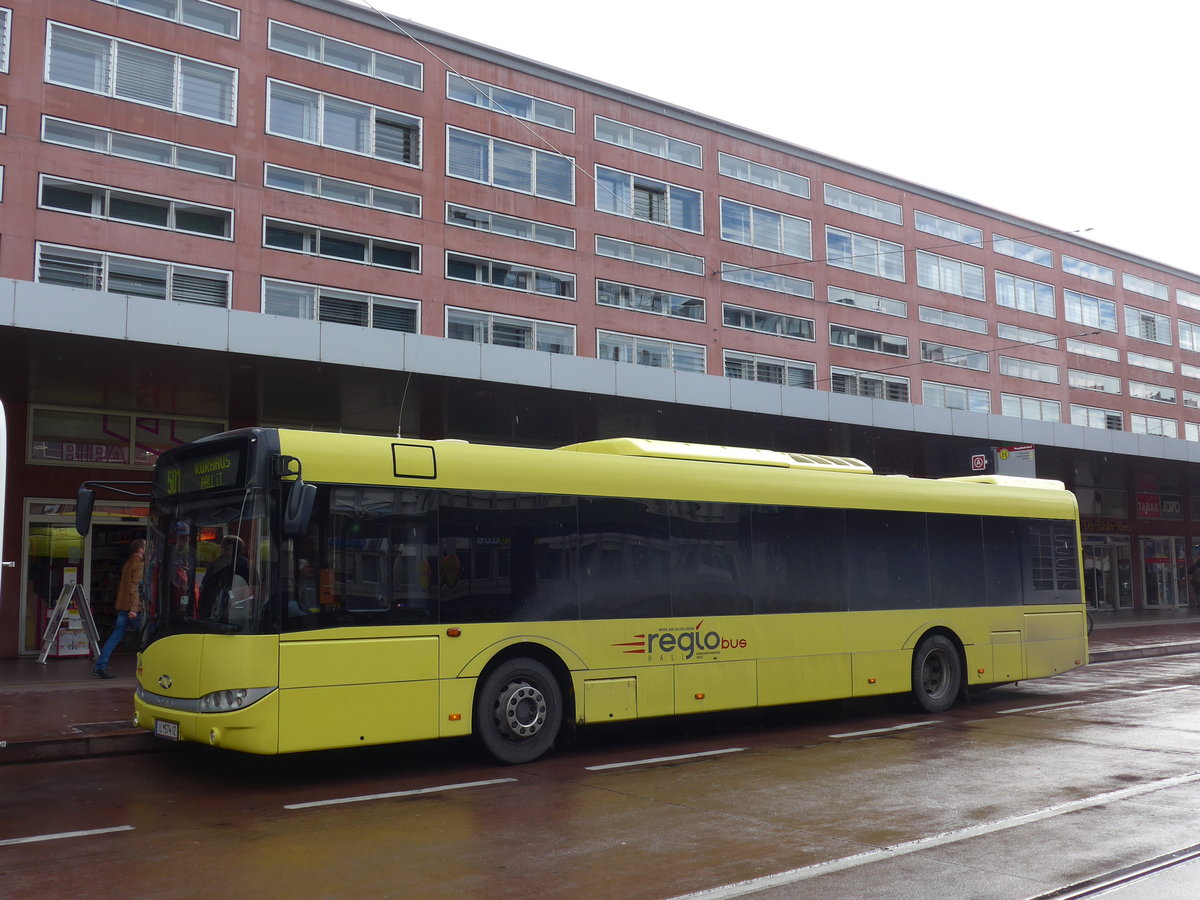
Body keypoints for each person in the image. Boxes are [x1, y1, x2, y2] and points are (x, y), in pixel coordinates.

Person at [93, 539, 144, 679]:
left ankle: (100, 666)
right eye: (145, 547)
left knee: (115, 636)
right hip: (133, 608)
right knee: (151, 635)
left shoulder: (127, 563)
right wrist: (134, 608)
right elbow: (135, 587)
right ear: (140, 549)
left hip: (123, 606)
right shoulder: (139, 564)